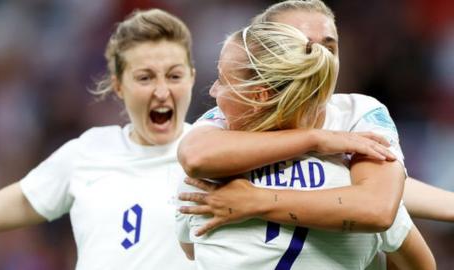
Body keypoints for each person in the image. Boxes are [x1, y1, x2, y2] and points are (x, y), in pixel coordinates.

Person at [175, 1, 436, 269]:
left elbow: (192, 247)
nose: (214, 91)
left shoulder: (207, 183)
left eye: (328, 46)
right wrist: (316, 139)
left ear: (257, 94)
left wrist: (257, 200)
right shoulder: (347, 175)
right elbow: (407, 244)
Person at [0, 9, 196, 270]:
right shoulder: (87, 153)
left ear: (192, 77)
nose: (161, 91)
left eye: (174, 76)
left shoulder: (217, 155)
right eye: (145, 77)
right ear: (118, 85)